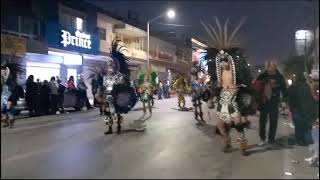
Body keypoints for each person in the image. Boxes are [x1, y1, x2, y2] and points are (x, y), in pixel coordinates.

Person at [256, 61, 287, 146]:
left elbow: (284, 89)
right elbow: (256, 86)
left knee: (273, 121)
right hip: (264, 101)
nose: (273, 68)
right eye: (271, 66)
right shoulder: (262, 76)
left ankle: (271, 139)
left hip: (274, 101)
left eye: (274, 66)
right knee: (262, 121)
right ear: (267, 67)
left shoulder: (279, 76)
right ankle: (262, 138)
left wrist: (284, 101)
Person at [288, 72, 317, 146]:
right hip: (305, 109)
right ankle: (307, 141)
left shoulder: (292, 87)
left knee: (298, 126)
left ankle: (300, 140)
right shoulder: (307, 86)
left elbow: (289, 98)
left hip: (296, 109)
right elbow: (311, 99)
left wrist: (291, 108)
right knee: (306, 126)